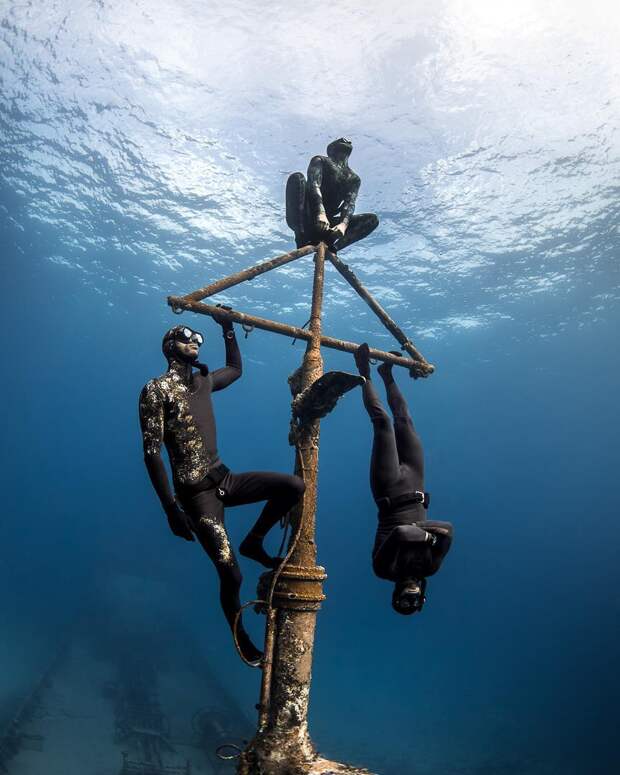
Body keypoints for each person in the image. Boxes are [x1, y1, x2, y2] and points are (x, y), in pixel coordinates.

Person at [138, 317, 305, 664]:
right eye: (186, 336)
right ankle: (240, 637)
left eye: (198, 337)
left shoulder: (203, 382)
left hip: (225, 479)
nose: (195, 341)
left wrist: (227, 328)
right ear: (170, 346)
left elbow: (236, 368)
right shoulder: (156, 390)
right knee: (231, 573)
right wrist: (171, 509)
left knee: (293, 486)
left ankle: (254, 540)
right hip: (197, 497)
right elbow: (152, 453)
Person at [353, 343, 453, 615]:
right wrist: (431, 536)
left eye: (402, 600)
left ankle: (363, 370)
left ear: (395, 595)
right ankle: (386, 373)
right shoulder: (430, 567)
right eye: (414, 600)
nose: (410, 595)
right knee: (405, 421)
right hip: (416, 481)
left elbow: (402, 531)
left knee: (382, 422)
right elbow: (449, 528)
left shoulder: (384, 570)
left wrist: (429, 537)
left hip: (389, 489)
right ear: (423, 596)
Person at [285, 137, 379, 252]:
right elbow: (314, 185)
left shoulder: (354, 179)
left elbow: (349, 204)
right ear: (331, 149)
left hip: (329, 225)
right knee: (297, 178)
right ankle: (301, 236)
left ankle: (333, 248)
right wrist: (320, 213)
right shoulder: (320, 160)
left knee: (372, 220)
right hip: (307, 217)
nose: (347, 141)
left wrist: (343, 225)